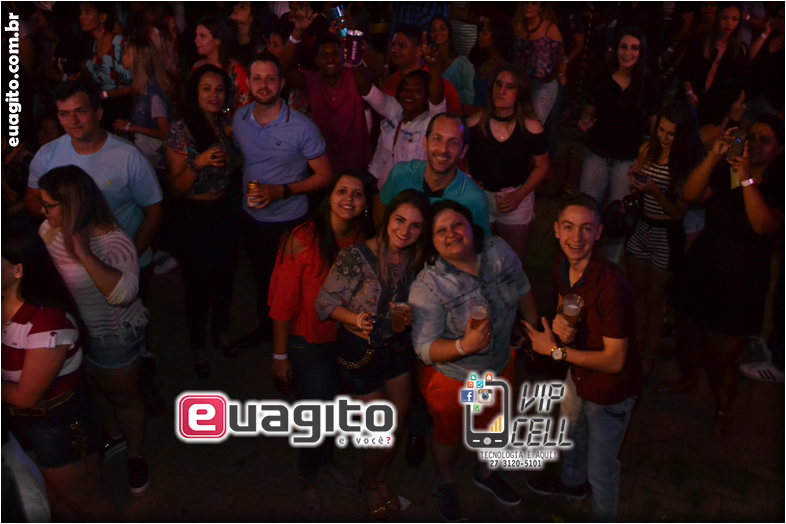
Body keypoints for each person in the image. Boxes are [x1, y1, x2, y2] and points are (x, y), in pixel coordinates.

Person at [25, 78, 164, 417]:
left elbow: (154, 210)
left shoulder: (126, 156)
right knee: (83, 328)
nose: (73, 120)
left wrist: (128, 259)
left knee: (130, 327)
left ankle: (138, 380)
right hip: (72, 268)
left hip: (126, 261)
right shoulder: (48, 155)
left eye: (80, 111)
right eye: (64, 114)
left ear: (98, 113)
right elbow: (32, 201)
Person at [409, 200, 537, 522]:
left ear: (471, 227)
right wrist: (463, 346)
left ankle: (485, 474)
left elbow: (522, 286)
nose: (451, 234)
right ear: (432, 241)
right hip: (454, 377)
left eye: (457, 225)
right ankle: (447, 482)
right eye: (440, 231)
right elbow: (423, 348)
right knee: (448, 434)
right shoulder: (428, 285)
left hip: (498, 366)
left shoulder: (498, 251)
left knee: (493, 425)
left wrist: (534, 327)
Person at [661, 117, 784, 439]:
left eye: (765, 139)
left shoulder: (777, 184)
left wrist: (746, 179)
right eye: (750, 136)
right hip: (703, 266)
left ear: (780, 149)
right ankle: (688, 381)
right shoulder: (727, 169)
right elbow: (690, 193)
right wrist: (714, 155)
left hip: (741, 281)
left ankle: (723, 409)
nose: (754, 143)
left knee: (722, 357)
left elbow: (765, 226)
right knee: (686, 332)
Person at [523, 193, 641, 523]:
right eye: (569, 227)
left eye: (586, 228)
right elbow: (565, 302)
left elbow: (615, 361)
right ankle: (572, 486)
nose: (577, 237)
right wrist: (562, 322)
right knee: (570, 433)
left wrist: (556, 351)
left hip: (610, 392)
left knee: (601, 471)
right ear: (556, 230)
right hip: (577, 374)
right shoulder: (563, 264)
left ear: (599, 232)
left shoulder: (612, 286)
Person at [315, 190, 431, 519]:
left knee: (398, 424)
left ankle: (379, 478)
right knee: (382, 433)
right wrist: (358, 320)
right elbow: (324, 304)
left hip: (395, 352)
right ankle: (368, 484)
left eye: (415, 225)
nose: (405, 231)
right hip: (359, 354)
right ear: (387, 217)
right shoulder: (357, 256)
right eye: (400, 220)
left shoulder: (417, 258)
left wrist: (413, 314)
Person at [37, 165, 151, 496]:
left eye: (49, 205)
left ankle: (136, 455)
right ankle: (114, 437)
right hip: (74, 335)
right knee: (94, 391)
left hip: (112, 334)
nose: (43, 212)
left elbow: (124, 294)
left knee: (124, 398)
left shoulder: (112, 240)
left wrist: (85, 254)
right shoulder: (48, 230)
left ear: (73, 204)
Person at [268, 169, 377, 511]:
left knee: (334, 407)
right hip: (308, 342)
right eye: (341, 191)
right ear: (329, 197)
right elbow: (282, 303)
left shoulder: (361, 237)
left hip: (344, 341)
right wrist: (280, 356)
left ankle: (326, 462)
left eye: (357, 194)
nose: (349, 199)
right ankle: (308, 476)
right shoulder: (302, 238)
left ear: (365, 203)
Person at [2, 224, 115, 519]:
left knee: (86, 502)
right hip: (22, 424)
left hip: (57, 425)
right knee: (50, 499)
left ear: (18, 270)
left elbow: (26, 396)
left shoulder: (47, 325)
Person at [232, 52, 332, 348]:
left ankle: (296, 345)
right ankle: (268, 335)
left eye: (270, 79)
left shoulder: (302, 127)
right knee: (263, 281)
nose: (264, 85)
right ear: (248, 83)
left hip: (291, 221)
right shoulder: (240, 119)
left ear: (282, 83)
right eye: (257, 78)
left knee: (293, 285)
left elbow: (325, 176)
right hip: (252, 218)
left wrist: (281, 191)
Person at [163, 64, 241, 378]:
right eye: (206, 89)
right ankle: (198, 345)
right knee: (197, 286)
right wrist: (198, 162)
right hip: (194, 217)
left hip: (224, 211)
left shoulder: (224, 124)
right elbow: (175, 188)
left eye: (219, 89)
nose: (213, 95)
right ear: (194, 93)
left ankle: (221, 329)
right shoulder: (181, 131)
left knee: (225, 278)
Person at [625, 102, 703, 376]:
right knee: (635, 294)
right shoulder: (647, 149)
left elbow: (679, 213)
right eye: (661, 130)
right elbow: (637, 192)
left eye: (671, 133)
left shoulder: (685, 163)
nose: (664, 137)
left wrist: (655, 191)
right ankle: (633, 347)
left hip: (666, 234)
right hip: (640, 227)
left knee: (654, 301)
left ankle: (649, 353)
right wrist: (634, 186)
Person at [578, 26, 660, 263]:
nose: (628, 53)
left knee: (618, 218)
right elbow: (591, 109)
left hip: (627, 160)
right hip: (597, 154)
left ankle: (609, 268)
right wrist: (587, 119)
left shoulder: (648, 84)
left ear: (641, 52)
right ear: (616, 49)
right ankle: (581, 260)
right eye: (624, 47)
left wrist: (644, 158)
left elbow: (654, 129)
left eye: (634, 48)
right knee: (586, 212)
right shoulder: (603, 76)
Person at [466, 63, 549, 265]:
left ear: (520, 93)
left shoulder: (531, 128)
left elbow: (542, 166)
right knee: (479, 262)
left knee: (512, 265)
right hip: (481, 199)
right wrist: (468, 179)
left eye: (510, 87)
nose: (501, 91)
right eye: (498, 84)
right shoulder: (475, 124)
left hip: (515, 200)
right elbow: (459, 157)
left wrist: (519, 195)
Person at [280, 18, 372, 174]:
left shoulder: (354, 76)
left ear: (342, 57)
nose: (330, 59)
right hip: (325, 168)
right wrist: (298, 31)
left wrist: (353, 36)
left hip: (359, 167)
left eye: (334, 54)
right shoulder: (311, 80)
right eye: (324, 55)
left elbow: (376, 70)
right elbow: (282, 69)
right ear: (316, 61)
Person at [354, 34, 446, 190]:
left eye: (417, 90)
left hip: (409, 196)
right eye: (405, 89)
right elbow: (366, 90)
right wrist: (355, 60)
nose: (409, 94)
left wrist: (435, 69)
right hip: (380, 188)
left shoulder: (431, 123)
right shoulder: (394, 109)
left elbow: (437, 100)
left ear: (427, 97)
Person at [380, 113, 490, 235]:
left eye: (453, 142)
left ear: (463, 151)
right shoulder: (400, 175)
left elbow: (482, 243)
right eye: (437, 139)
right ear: (425, 143)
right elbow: (380, 209)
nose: (443, 149)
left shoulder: (475, 199)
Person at [112, 37, 175, 170]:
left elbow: (166, 133)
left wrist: (131, 127)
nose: (122, 56)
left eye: (125, 52)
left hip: (157, 160)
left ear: (136, 59)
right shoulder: (142, 88)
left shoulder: (153, 95)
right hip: (148, 155)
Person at [383, 24, 462, 116]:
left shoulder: (443, 86)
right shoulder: (389, 82)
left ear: (419, 51)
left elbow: (455, 121)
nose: (394, 50)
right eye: (393, 45)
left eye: (402, 45)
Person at [682, 3, 750, 107]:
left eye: (734, 19)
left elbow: (741, 83)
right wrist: (689, 93)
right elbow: (686, 69)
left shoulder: (741, 49)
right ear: (718, 17)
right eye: (724, 18)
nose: (729, 23)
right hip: (692, 97)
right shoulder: (701, 40)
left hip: (718, 105)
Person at [78, 2, 133, 127]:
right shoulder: (89, 46)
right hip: (104, 113)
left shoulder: (117, 43)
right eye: (81, 12)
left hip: (123, 112)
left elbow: (138, 84)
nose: (81, 16)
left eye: (87, 12)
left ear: (102, 17)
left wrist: (105, 94)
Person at [513, 2, 566, 124]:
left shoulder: (550, 29)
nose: (529, 6)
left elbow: (560, 57)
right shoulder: (518, 27)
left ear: (541, 8)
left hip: (544, 83)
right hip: (522, 82)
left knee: (534, 121)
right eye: (526, 2)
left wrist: (561, 74)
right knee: (518, 120)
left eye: (534, 3)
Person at [192, 15, 251, 109]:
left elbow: (246, 108)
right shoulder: (197, 66)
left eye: (202, 36)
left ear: (217, 40)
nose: (196, 40)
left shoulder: (236, 71)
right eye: (196, 35)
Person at [428, 15, 475, 114]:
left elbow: (470, 94)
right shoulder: (427, 63)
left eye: (442, 28)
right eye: (433, 29)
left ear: (449, 31)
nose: (437, 32)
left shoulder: (462, 63)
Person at [746, 6, 784, 122]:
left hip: (772, 106)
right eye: (780, 17)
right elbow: (749, 57)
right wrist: (766, 33)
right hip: (752, 97)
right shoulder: (768, 39)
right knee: (740, 132)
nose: (782, 21)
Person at [470, 18, 515, 110]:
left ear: (495, 40)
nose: (479, 34)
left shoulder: (505, 70)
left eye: (484, 33)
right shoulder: (481, 59)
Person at [229, 1, 278, 65]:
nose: (235, 7)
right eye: (237, 4)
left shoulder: (260, 45)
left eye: (242, 7)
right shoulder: (226, 35)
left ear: (252, 16)